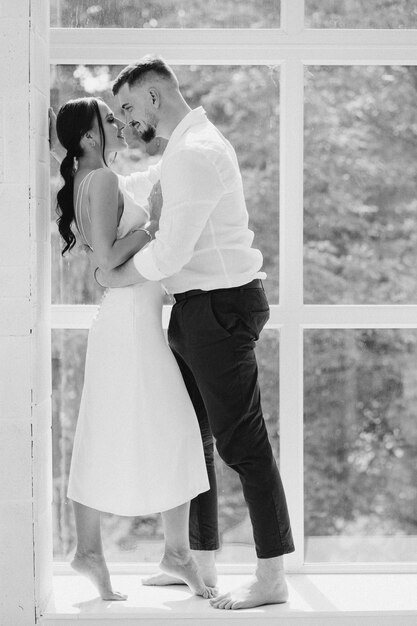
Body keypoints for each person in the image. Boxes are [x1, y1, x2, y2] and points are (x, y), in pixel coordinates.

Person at [93, 56, 295, 610]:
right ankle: (197, 561)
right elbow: (136, 188)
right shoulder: (183, 150)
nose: (128, 123)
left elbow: (172, 250)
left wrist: (115, 273)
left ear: (155, 98)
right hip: (197, 309)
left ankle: (272, 575)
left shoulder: (195, 152)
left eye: (130, 109)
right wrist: (76, 169)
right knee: (194, 437)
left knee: (243, 445)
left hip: (220, 309)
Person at [54, 96, 215, 601]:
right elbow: (106, 259)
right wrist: (154, 226)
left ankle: (149, 553)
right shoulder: (99, 179)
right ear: (87, 137)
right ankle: (122, 552)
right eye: (108, 120)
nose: (117, 124)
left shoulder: (92, 179)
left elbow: (104, 263)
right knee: (174, 430)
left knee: (146, 431)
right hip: (127, 326)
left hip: (131, 321)